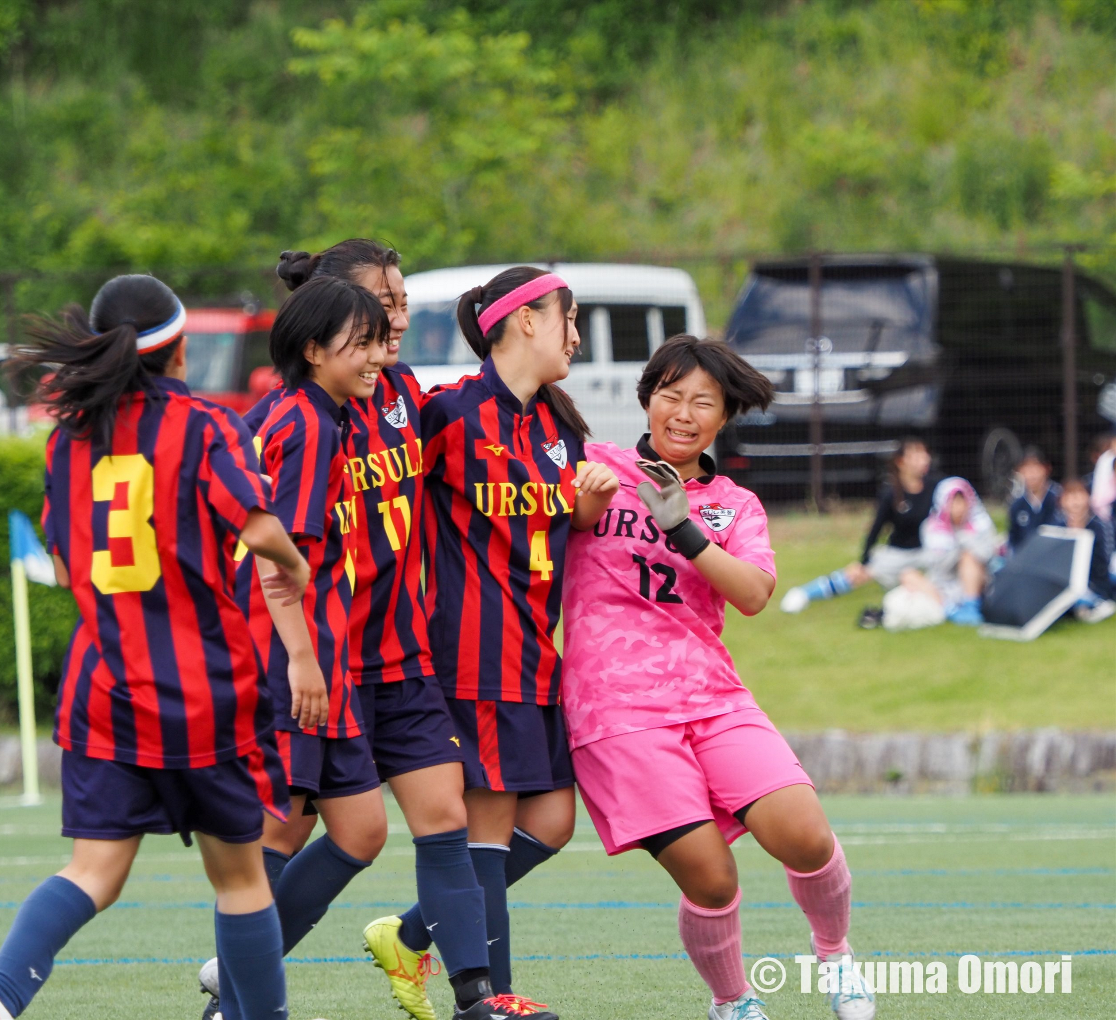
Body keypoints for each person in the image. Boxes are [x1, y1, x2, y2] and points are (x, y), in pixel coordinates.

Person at [0, 275, 315, 1020]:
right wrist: (296, 565)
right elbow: (256, 525)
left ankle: (2, 989)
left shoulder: (68, 437)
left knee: (94, 870)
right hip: (201, 689)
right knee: (241, 879)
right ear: (178, 350)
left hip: (104, 687)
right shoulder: (208, 425)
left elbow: (59, 562)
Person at [201, 245, 498, 1020]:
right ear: (332, 320)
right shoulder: (302, 417)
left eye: (399, 304)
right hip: (320, 662)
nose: (396, 319)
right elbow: (271, 554)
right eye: (379, 306)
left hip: (396, 655)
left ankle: (478, 998)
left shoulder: (398, 392)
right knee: (298, 841)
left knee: (443, 817)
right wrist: (297, 655)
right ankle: (236, 989)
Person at [561, 335, 876, 1020]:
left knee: (805, 833)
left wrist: (689, 534)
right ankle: (732, 1001)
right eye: (671, 395)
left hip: (712, 695)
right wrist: (585, 504)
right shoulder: (596, 464)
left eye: (703, 401)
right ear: (646, 398)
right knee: (710, 875)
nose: (683, 412)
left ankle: (836, 953)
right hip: (616, 711)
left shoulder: (735, 504)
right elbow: (564, 524)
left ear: (725, 416)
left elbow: (755, 592)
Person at [387, 267, 619, 1019]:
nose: (576, 336)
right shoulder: (447, 413)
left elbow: (563, 526)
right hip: (470, 656)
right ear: (524, 321)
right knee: (484, 835)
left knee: (551, 822)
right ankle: (487, 999)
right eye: (569, 319)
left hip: (534, 656)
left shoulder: (561, 428)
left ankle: (413, 932)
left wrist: (583, 507)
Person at [780, 437, 937, 614]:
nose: (924, 459)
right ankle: (804, 594)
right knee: (857, 574)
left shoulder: (937, 487)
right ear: (901, 462)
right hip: (897, 555)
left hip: (928, 554)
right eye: (916, 455)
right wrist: (864, 562)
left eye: (925, 454)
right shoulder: (891, 494)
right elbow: (875, 530)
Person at [893, 476, 998, 627]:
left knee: (968, 557)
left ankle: (971, 605)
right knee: (908, 574)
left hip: (975, 580)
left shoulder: (980, 523)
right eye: (953, 502)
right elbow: (936, 563)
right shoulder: (930, 527)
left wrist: (964, 540)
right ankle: (949, 608)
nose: (959, 507)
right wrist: (955, 547)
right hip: (943, 581)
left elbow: (987, 554)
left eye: (962, 501)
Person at [1059, 478, 1115, 622]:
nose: (1075, 501)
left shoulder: (1099, 525)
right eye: (1070, 496)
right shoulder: (1057, 526)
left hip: (1094, 581)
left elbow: (1103, 561)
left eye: (1079, 495)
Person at [1006, 446, 1063, 552]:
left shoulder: (1060, 498)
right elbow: (1013, 540)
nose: (1031, 474)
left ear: (1047, 468)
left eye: (1035, 468)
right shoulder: (1017, 505)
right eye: (1026, 469)